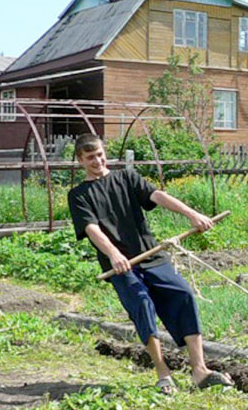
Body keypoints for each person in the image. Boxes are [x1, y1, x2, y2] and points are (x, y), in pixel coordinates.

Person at [68, 133, 233, 394]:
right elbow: (91, 228)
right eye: (90, 157)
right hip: (123, 266)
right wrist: (113, 253)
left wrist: (192, 214)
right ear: (80, 160)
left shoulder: (125, 178)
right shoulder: (79, 195)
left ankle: (200, 371)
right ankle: (163, 373)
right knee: (142, 304)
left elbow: (157, 196)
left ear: (105, 153)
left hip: (151, 256)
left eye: (100, 155)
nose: (97, 161)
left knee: (184, 294)